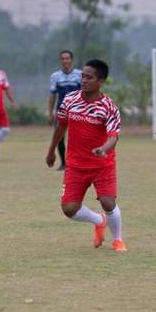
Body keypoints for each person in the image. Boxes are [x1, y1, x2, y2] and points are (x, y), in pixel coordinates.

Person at [46, 59, 126, 252]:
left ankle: (118, 240)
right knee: (69, 210)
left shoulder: (109, 107)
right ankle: (99, 221)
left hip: (102, 164)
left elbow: (114, 137)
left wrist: (104, 149)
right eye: (83, 76)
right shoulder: (70, 100)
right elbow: (61, 126)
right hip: (75, 165)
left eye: (89, 77)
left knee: (108, 202)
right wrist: (51, 151)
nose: (83, 80)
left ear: (101, 81)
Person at [47, 50, 82, 171]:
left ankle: (77, 163)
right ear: (60, 60)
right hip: (61, 110)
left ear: (71, 60)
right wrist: (50, 112)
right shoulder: (55, 76)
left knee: (77, 137)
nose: (65, 61)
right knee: (59, 137)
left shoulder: (79, 74)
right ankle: (64, 163)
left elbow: (85, 93)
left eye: (67, 58)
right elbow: (52, 95)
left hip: (77, 110)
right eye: (63, 58)